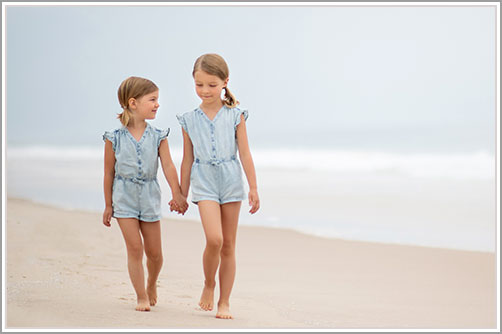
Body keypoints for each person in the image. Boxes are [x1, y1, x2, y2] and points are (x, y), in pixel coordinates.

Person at [175, 54, 260, 319]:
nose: (205, 91)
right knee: (214, 239)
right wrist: (181, 193)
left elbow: (245, 154)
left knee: (228, 245)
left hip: (231, 180)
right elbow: (187, 158)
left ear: (225, 82)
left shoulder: (236, 116)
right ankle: (209, 284)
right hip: (204, 182)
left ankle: (224, 301)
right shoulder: (189, 120)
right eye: (199, 85)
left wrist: (253, 188)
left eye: (211, 85)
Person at [102, 76, 188, 312]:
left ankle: (151, 283)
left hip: (150, 196)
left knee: (155, 254)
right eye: (152, 99)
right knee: (135, 249)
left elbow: (169, 166)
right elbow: (108, 173)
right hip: (123, 198)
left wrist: (177, 194)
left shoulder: (159, 136)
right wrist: (108, 205)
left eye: (157, 99)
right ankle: (140, 296)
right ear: (133, 103)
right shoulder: (114, 138)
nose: (157, 104)